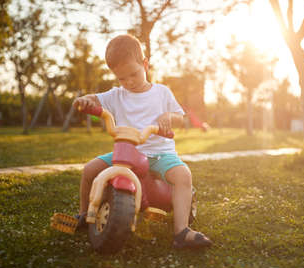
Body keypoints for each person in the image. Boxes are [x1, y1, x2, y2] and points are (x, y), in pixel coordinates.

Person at [72, 34, 212, 249]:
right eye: (122, 78)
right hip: (126, 153)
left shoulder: (161, 92)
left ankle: (181, 231)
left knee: (183, 176)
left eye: (133, 74)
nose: (129, 82)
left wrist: (168, 118)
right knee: (90, 170)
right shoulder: (116, 95)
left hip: (160, 153)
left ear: (145, 64)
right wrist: (84, 100)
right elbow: (95, 99)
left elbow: (179, 117)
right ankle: (83, 215)